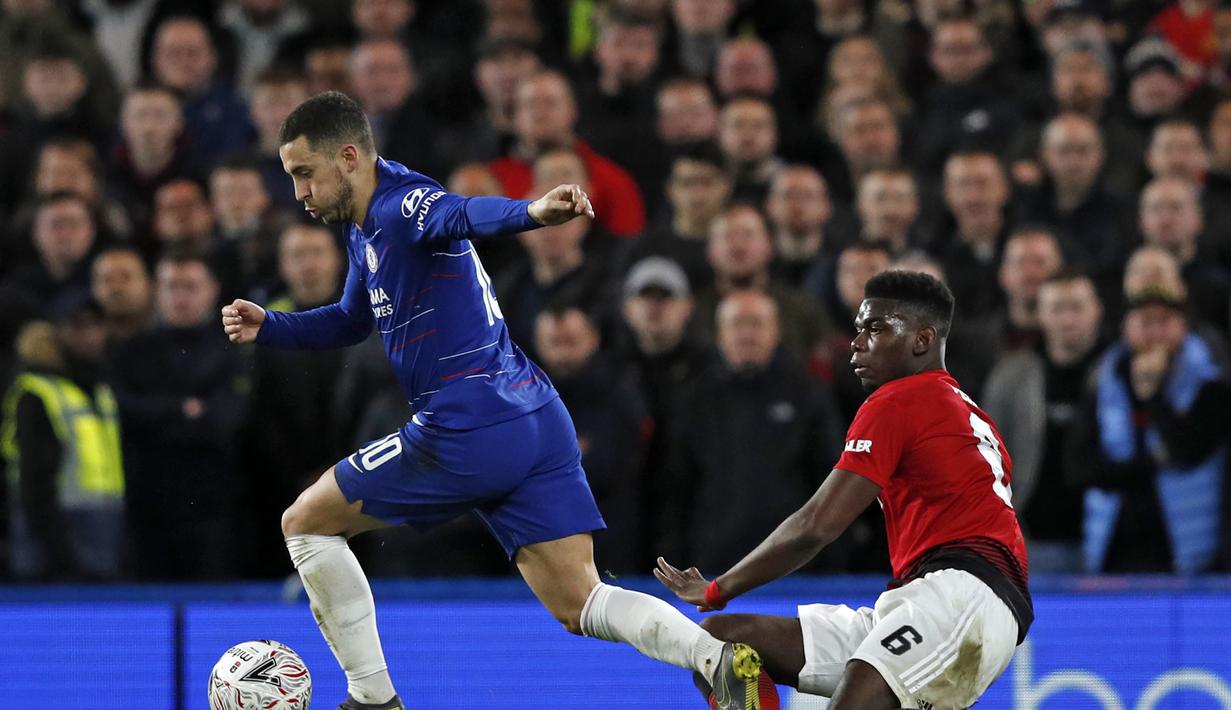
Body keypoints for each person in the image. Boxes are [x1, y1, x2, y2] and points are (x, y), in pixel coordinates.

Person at [220, 91, 765, 710]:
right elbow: (351, 319)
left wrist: (531, 212)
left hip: (468, 423)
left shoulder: (402, 206)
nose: (299, 194)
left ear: (348, 157)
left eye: (304, 174)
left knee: (304, 524)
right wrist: (274, 326)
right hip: (532, 413)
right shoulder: (366, 225)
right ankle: (717, 658)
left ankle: (373, 699)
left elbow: (461, 213)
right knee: (580, 601)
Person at [656, 270, 1032, 710]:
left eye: (875, 328)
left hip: (962, 595)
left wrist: (720, 589)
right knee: (720, 643)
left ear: (922, 340)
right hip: (930, 598)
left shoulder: (901, 399)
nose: (857, 342)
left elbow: (817, 525)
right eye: (858, 328)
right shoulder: (966, 412)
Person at [1066, 286, 1230, 573]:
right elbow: (1079, 468)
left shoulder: (1209, 385)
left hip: (1190, 553)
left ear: (1184, 326)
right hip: (1113, 548)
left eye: (1164, 321)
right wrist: (1149, 464)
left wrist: (1152, 395)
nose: (1154, 332)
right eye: (1144, 322)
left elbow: (1185, 452)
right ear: (1125, 328)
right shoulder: (1103, 382)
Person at [983, 269, 1106, 572]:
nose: (1067, 320)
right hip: (1030, 536)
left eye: (1076, 308)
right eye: (1057, 309)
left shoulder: (1118, 373)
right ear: (1040, 315)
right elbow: (985, 456)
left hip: (1106, 536)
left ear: (1097, 311)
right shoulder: (1011, 375)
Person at [1, 289, 124, 581]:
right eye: (78, 326)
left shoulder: (100, 389)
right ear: (56, 332)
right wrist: (62, 554)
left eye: (96, 325)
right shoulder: (37, 392)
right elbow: (34, 484)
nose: (90, 336)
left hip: (102, 540)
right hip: (51, 555)